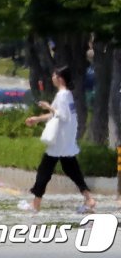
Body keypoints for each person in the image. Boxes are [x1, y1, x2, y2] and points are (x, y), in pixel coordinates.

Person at [24, 66, 96, 213]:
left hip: (59, 141)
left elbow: (61, 115)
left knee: (44, 171)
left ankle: (35, 204)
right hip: (65, 141)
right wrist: (37, 119)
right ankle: (89, 198)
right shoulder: (65, 94)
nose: (52, 78)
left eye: (54, 75)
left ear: (60, 78)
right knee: (72, 170)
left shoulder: (63, 95)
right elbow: (56, 115)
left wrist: (47, 106)